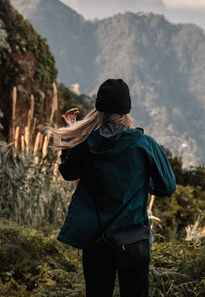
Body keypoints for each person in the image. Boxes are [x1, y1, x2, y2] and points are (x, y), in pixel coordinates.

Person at [52, 78, 176, 297]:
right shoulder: (143, 144)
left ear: (99, 109)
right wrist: (137, 183)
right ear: (126, 110)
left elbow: (68, 172)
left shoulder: (87, 143)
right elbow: (167, 186)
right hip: (133, 238)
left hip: (96, 239)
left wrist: (72, 132)